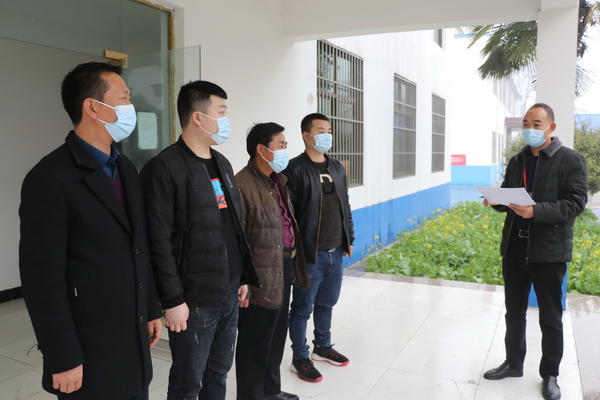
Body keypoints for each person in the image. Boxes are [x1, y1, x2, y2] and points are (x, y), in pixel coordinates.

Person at [19, 62, 162, 400]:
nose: (131, 107)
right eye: (124, 98)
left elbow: (138, 246)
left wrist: (151, 308)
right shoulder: (49, 178)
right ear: (93, 108)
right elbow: (42, 280)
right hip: (87, 348)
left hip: (132, 338)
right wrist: (62, 355)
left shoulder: (125, 168)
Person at [140, 80, 259, 400]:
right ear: (197, 117)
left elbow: (233, 226)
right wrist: (172, 301)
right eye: (221, 112)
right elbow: (158, 242)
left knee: (218, 372)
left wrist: (242, 276)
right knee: (188, 382)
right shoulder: (163, 168)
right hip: (193, 300)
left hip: (228, 292)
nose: (226, 120)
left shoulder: (222, 163)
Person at [483, 103, 588, 400]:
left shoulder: (571, 160)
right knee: (514, 312)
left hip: (549, 252)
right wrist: (497, 200)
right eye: (526, 123)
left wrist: (536, 211)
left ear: (551, 127)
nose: (530, 128)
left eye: (537, 124)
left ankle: (550, 374)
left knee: (550, 318)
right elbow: (510, 195)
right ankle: (513, 363)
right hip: (515, 247)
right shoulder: (518, 160)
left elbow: (575, 203)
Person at [235, 122, 309, 400]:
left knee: (277, 335)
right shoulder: (242, 184)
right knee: (255, 341)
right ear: (261, 150)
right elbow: (237, 238)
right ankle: (251, 396)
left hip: (283, 266)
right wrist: (243, 279)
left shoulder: (278, 181)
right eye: (281, 145)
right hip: (258, 273)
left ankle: (271, 391)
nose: (285, 150)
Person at [285, 113, 355, 382]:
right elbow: (288, 214)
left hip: (336, 250)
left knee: (327, 302)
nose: (327, 135)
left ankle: (322, 346)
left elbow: (345, 204)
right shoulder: (294, 169)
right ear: (306, 135)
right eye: (320, 130)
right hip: (309, 253)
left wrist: (349, 238)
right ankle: (300, 357)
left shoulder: (336, 167)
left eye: (329, 130)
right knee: (302, 308)